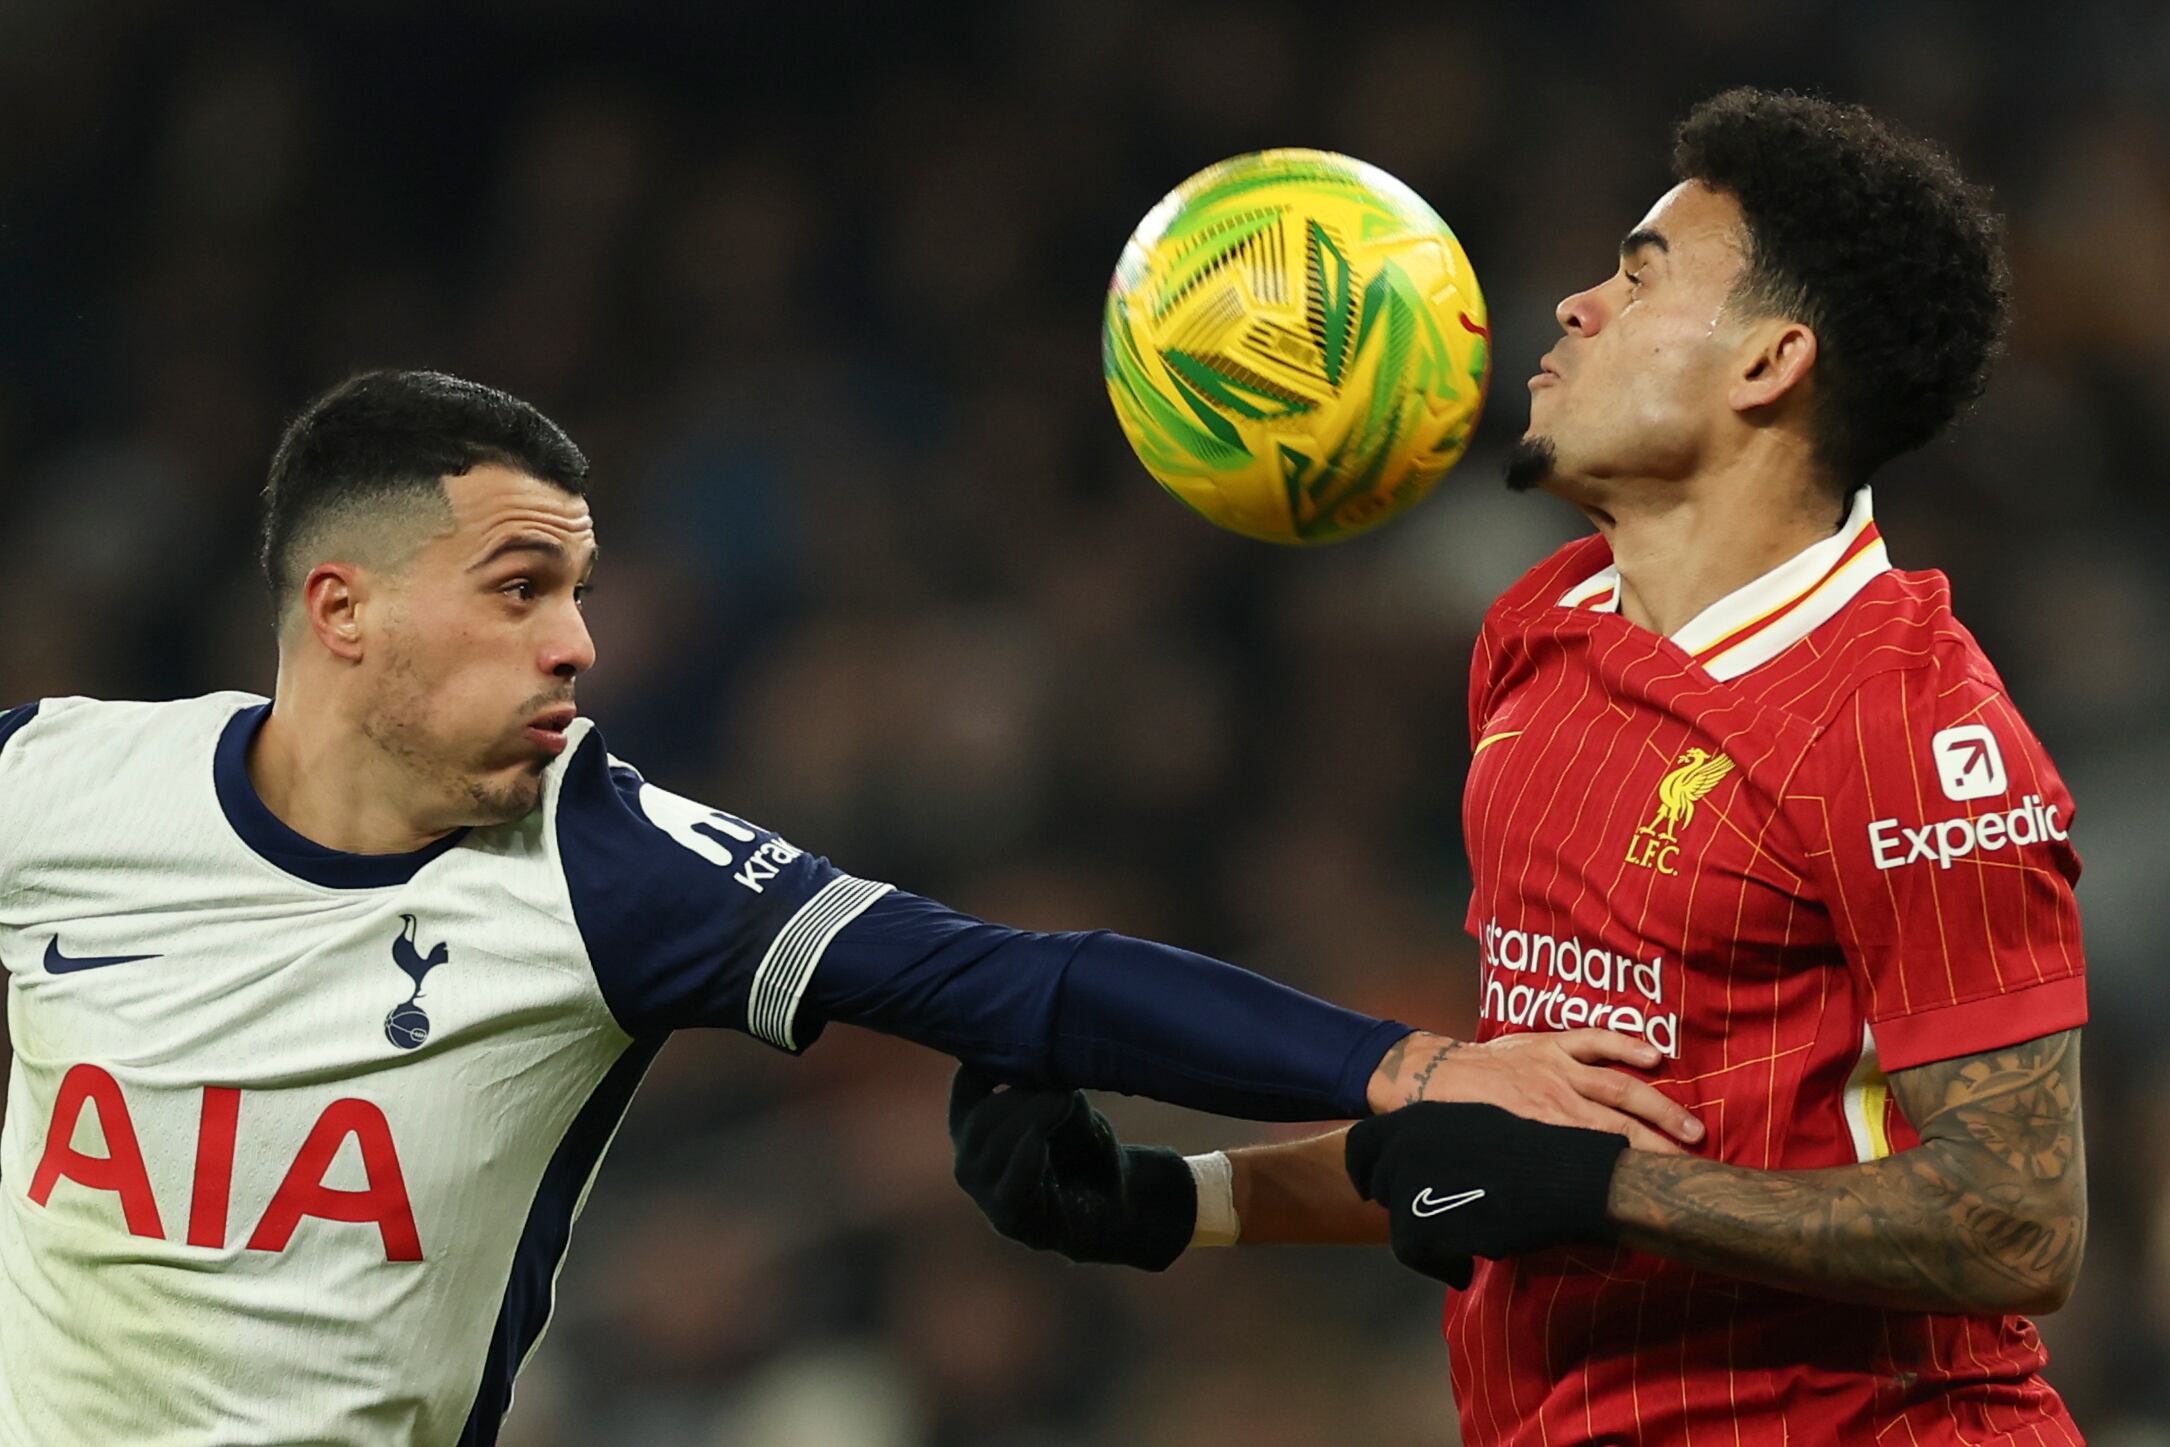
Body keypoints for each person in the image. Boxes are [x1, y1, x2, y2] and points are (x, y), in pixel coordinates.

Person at [0, 368, 1703, 1447]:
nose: (576, 643)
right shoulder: (53, 788)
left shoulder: (611, 866)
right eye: (522, 590)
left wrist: (1400, 1069)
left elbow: (1012, 989)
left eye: (579, 593)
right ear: (341, 610)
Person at [948, 87, 2087, 1446]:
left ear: (1767, 365)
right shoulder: (1539, 633)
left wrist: (1600, 1191)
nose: (1570, 304)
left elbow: (2018, 1224)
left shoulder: (1910, 726)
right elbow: (1495, 1147)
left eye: (1638, 272)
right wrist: (1167, 1199)